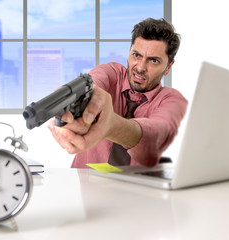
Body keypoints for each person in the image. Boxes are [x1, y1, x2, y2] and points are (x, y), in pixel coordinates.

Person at [48, 18, 188, 168]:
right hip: (82, 184)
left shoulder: (171, 100)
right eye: (136, 55)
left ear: (168, 67)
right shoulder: (113, 72)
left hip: (136, 188)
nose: (140, 67)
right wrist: (79, 95)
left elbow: (154, 134)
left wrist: (110, 125)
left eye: (153, 61)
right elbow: (95, 80)